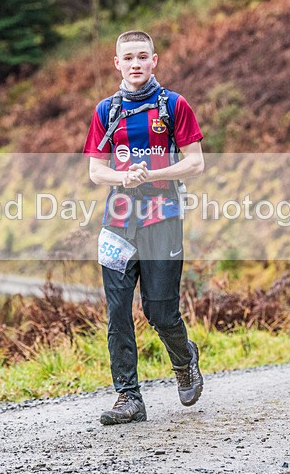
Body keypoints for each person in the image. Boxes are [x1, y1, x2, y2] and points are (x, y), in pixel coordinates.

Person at [83, 30, 205, 425]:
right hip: (117, 221)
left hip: (163, 218)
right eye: (128, 58)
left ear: (155, 60)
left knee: (160, 311)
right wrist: (123, 178)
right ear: (116, 63)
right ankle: (128, 397)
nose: (135, 64)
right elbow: (95, 170)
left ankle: (185, 359)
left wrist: (152, 172)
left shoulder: (174, 105)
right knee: (118, 310)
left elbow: (196, 163)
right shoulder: (106, 110)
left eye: (142, 57)